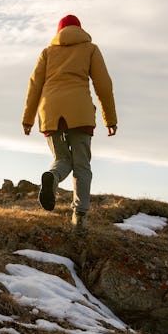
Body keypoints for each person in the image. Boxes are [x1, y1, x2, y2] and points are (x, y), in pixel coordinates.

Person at [22, 13, 117, 232]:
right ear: (80, 29)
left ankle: (53, 177)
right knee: (82, 164)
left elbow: (34, 85)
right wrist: (110, 119)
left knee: (62, 158)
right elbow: (103, 85)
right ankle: (80, 217)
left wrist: (28, 119)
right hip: (80, 112)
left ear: (58, 32)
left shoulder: (47, 52)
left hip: (51, 111)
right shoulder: (90, 49)